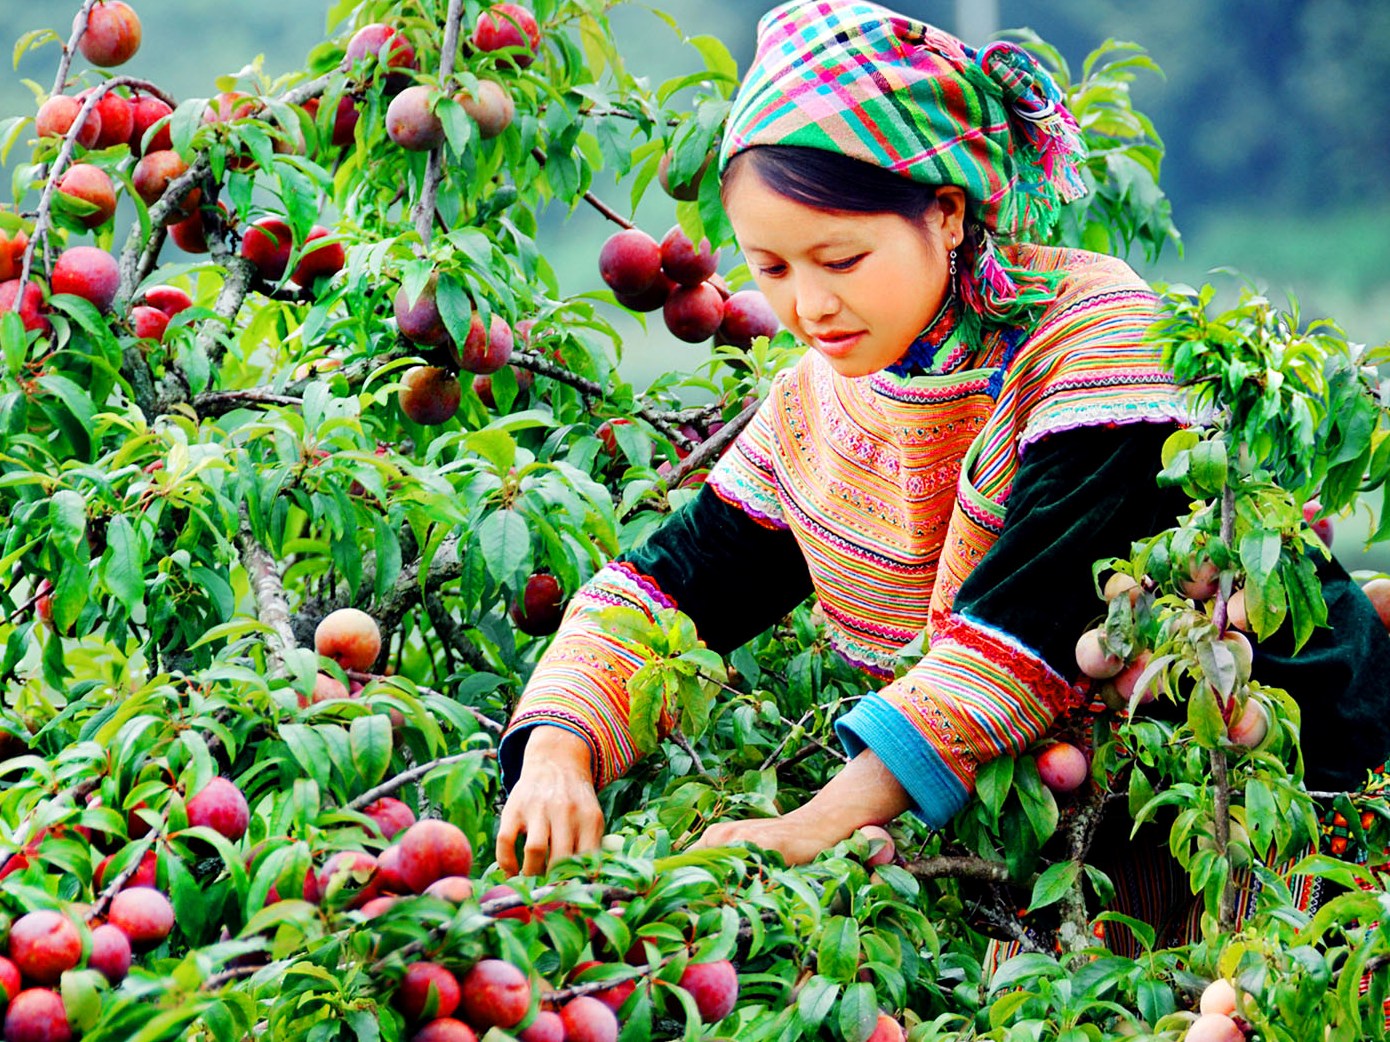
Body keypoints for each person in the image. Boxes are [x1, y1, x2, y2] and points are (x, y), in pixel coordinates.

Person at [492, 0, 1390, 946]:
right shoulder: (819, 404)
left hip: (1295, 796)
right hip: (1070, 843)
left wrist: (816, 824)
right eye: (771, 267)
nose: (807, 304)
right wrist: (559, 745)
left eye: (840, 259)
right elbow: (672, 584)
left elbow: (1027, 626)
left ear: (949, 212)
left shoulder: (1096, 343)